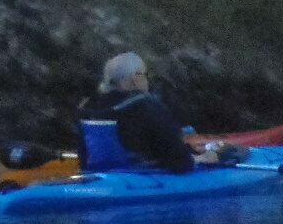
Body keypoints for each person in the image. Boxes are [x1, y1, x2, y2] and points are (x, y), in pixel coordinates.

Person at [77, 53, 237, 174]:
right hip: (142, 173)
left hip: (97, 173)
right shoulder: (146, 105)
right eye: (145, 75)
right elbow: (179, 161)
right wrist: (200, 158)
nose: (147, 80)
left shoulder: (88, 107)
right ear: (136, 78)